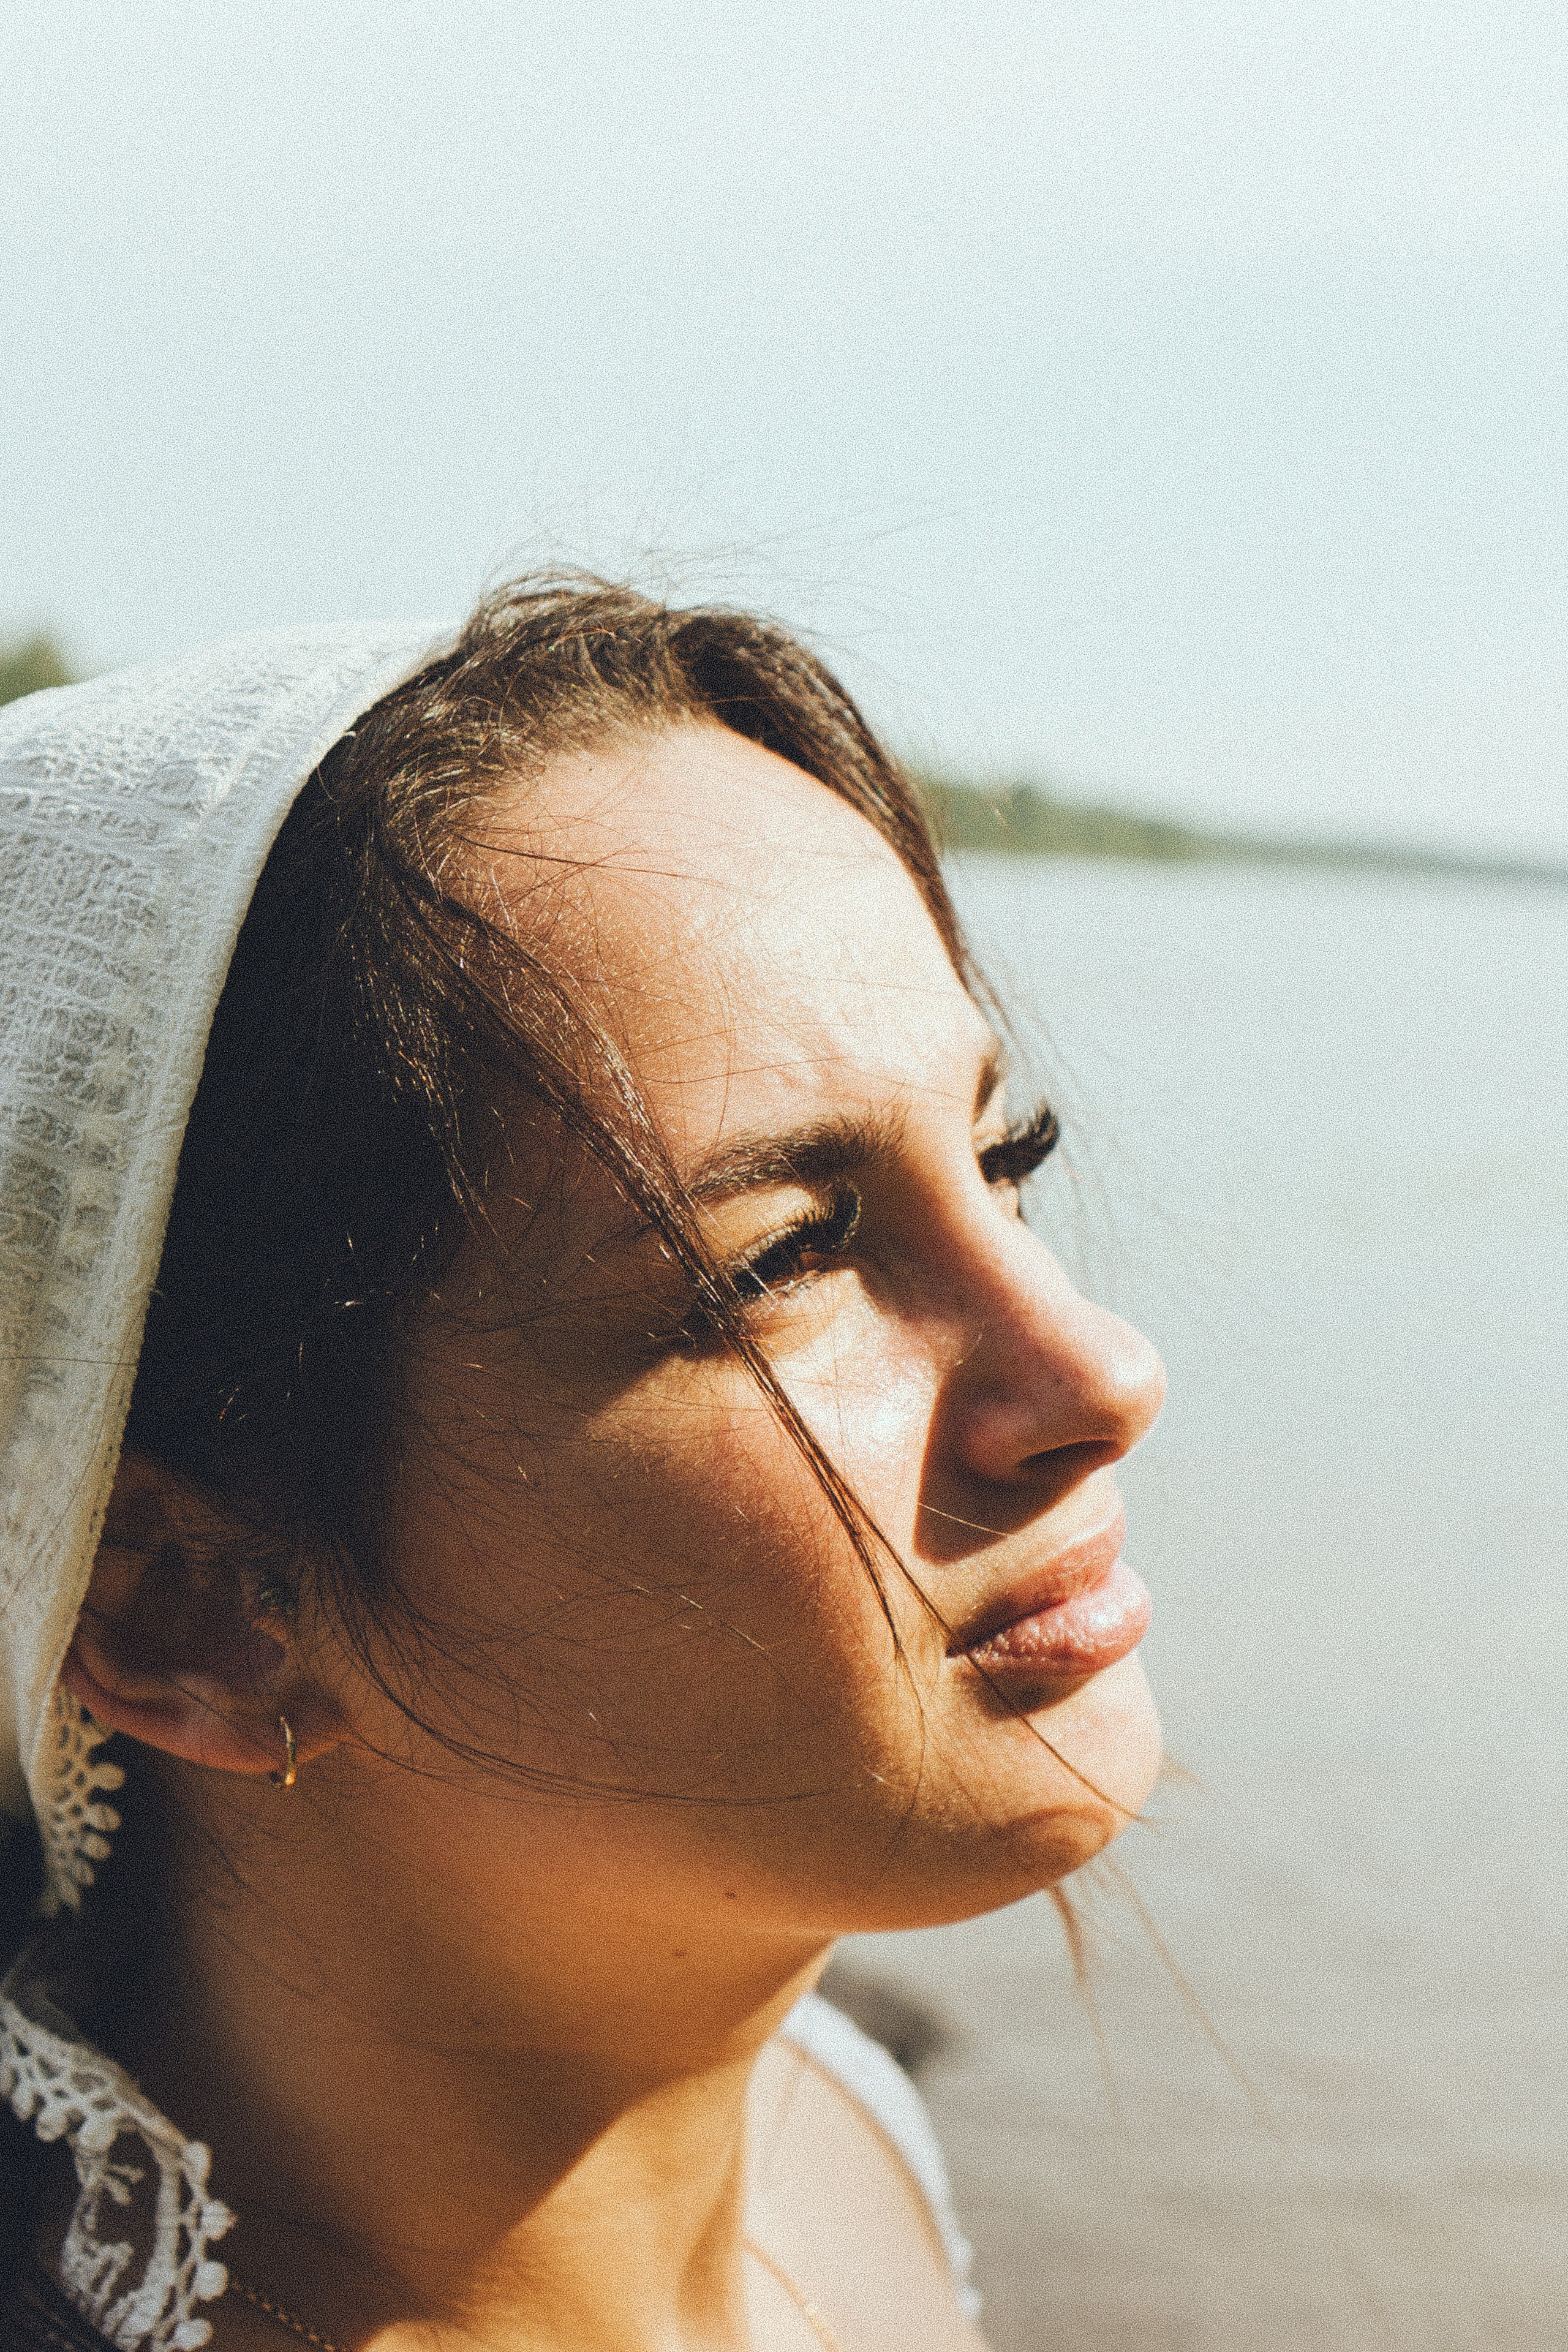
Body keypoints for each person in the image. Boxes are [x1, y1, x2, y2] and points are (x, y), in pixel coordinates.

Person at [0, 581, 1166, 2352]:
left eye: (1003, 1154)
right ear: (191, 1612)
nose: (1101, 1371)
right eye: (781, 1261)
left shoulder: (841, 2128)